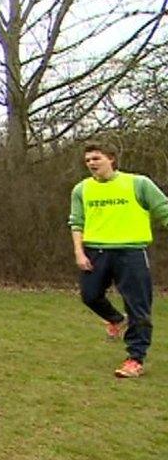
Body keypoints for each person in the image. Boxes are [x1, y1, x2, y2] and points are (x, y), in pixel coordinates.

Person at [69, 141, 168, 379]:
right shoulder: (81, 190)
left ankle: (135, 358)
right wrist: (79, 252)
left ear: (111, 159)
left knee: (138, 307)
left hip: (130, 253)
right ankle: (115, 319)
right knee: (90, 295)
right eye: (88, 160)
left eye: (96, 158)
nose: (91, 163)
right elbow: (76, 222)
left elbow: (163, 210)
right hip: (96, 252)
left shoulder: (138, 184)